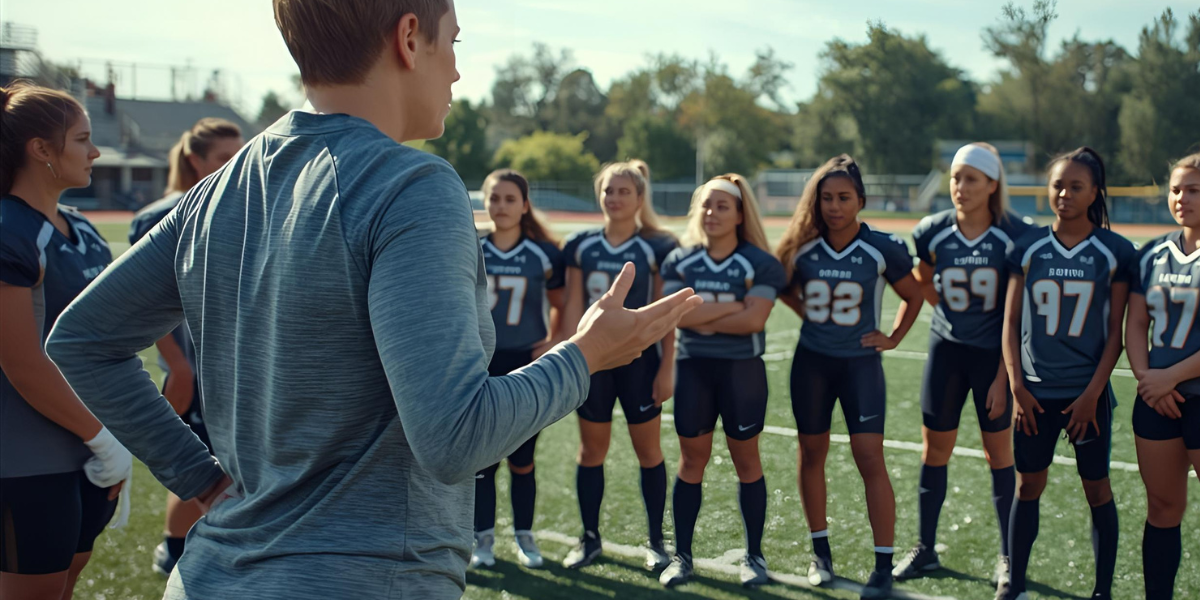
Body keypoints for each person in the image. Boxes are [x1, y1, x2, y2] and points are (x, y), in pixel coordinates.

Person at [43, 2, 701, 599]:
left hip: (210, 576)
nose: (458, 73)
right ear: (409, 38)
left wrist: (199, 476)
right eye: (453, 44)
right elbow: (455, 437)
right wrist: (586, 355)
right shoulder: (411, 184)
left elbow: (83, 340)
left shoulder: (223, 185)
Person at [775, 154, 924, 599]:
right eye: (826, 198)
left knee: (869, 456)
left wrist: (894, 337)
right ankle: (821, 553)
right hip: (812, 363)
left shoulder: (883, 247)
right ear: (815, 201)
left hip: (860, 365)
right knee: (811, 453)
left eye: (843, 197)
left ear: (861, 199)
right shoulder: (802, 246)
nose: (834, 206)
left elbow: (913, 295)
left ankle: (882, 563)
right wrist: (807, 314)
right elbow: (782, 286)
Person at [0, 81, 128, 600]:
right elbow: (21, 361)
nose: (95, 151)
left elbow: (108, 340)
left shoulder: (82, 229)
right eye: (82, 138)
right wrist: (102, 438)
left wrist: (113, 437)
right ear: (41, 149)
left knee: (64, 586)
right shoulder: (10, 230)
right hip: (27, 460)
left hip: (87, 452)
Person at [895, 143, 1031, 592]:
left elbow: (1021, 315)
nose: (960, 187)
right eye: (956, 177)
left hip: (993, 356)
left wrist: (1005, 378)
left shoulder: (1015, 235)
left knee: (999, 455)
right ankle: (926, 548)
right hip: (947, 350)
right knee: (934, 451)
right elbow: (925, 282)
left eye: (971, 178)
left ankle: (1009, 556)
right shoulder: (932, 231)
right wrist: (952, 314)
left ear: (993, 185)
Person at [999, 147, 1133, 600]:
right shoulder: (1028, 246)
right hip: (1035, 394)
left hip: (1085, 395)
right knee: (1027, 484)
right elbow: (1011, 323)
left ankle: (1102, 591)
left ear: (1095, 191)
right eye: (1058, 185)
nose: (1065, 194)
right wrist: (1017, 386)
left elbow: (1115, 333)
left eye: (1076, 187)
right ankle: (1015, 584)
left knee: (1096, 489)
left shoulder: (1114, 251)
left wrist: (1093, 394)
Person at [127, 117, 244, 577]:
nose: (235, 167)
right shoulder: (161, 215)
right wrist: (178, 365)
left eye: (240, 156)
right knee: (203, 459)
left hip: (231, 358)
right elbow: (139, 301)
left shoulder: (242, 203)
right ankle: (175, 547)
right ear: (196, 161)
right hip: (193, 362)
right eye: (223, 158)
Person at [656, 174, 785, 588]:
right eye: (706, 205)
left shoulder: (761, 262)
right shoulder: (681, 260)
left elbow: (755, 319)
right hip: (694, 368)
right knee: (691, 460)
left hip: (741, 371)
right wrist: (732, 303)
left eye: (722, 206)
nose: (711, 213)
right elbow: (678, 316)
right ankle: (683, 556)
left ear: (740, 213)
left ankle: (755, 556)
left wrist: (702, 310)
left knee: (747, 461)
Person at [560, 161, 680, 571]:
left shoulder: (658, 247)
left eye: (623, 192)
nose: (614, 198)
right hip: (592, 362)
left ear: (640, 198)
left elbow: (666, 315)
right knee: (591, 449)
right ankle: (589, 538)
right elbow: (574, 306)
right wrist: (567, 356)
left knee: (648, 451)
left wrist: (667, 368)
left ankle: (655, 541)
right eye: (608, 191)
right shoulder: (581, 245)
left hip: (640, 363)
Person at [470, 169, 565, 570]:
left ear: (525, 205)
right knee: (481, 460)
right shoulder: (471, 247)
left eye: (510, 199)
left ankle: (525, 535)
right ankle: (482, 540)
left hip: (526, 361)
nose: (501, 206)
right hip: (480, 362)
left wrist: (552, 342)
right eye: (494, 198)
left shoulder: (543, 254)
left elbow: (563, 303)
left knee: (523, 458)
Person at [1125, 153, 1200, 600]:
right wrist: (1146, 377)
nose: (1182, 198)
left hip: (1187, 391)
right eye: (1176, 189)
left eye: (1193, 190)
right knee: (1163, 507)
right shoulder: (1152, 251)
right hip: (1157, 399)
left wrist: (1167, 376)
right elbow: (1135, 324)